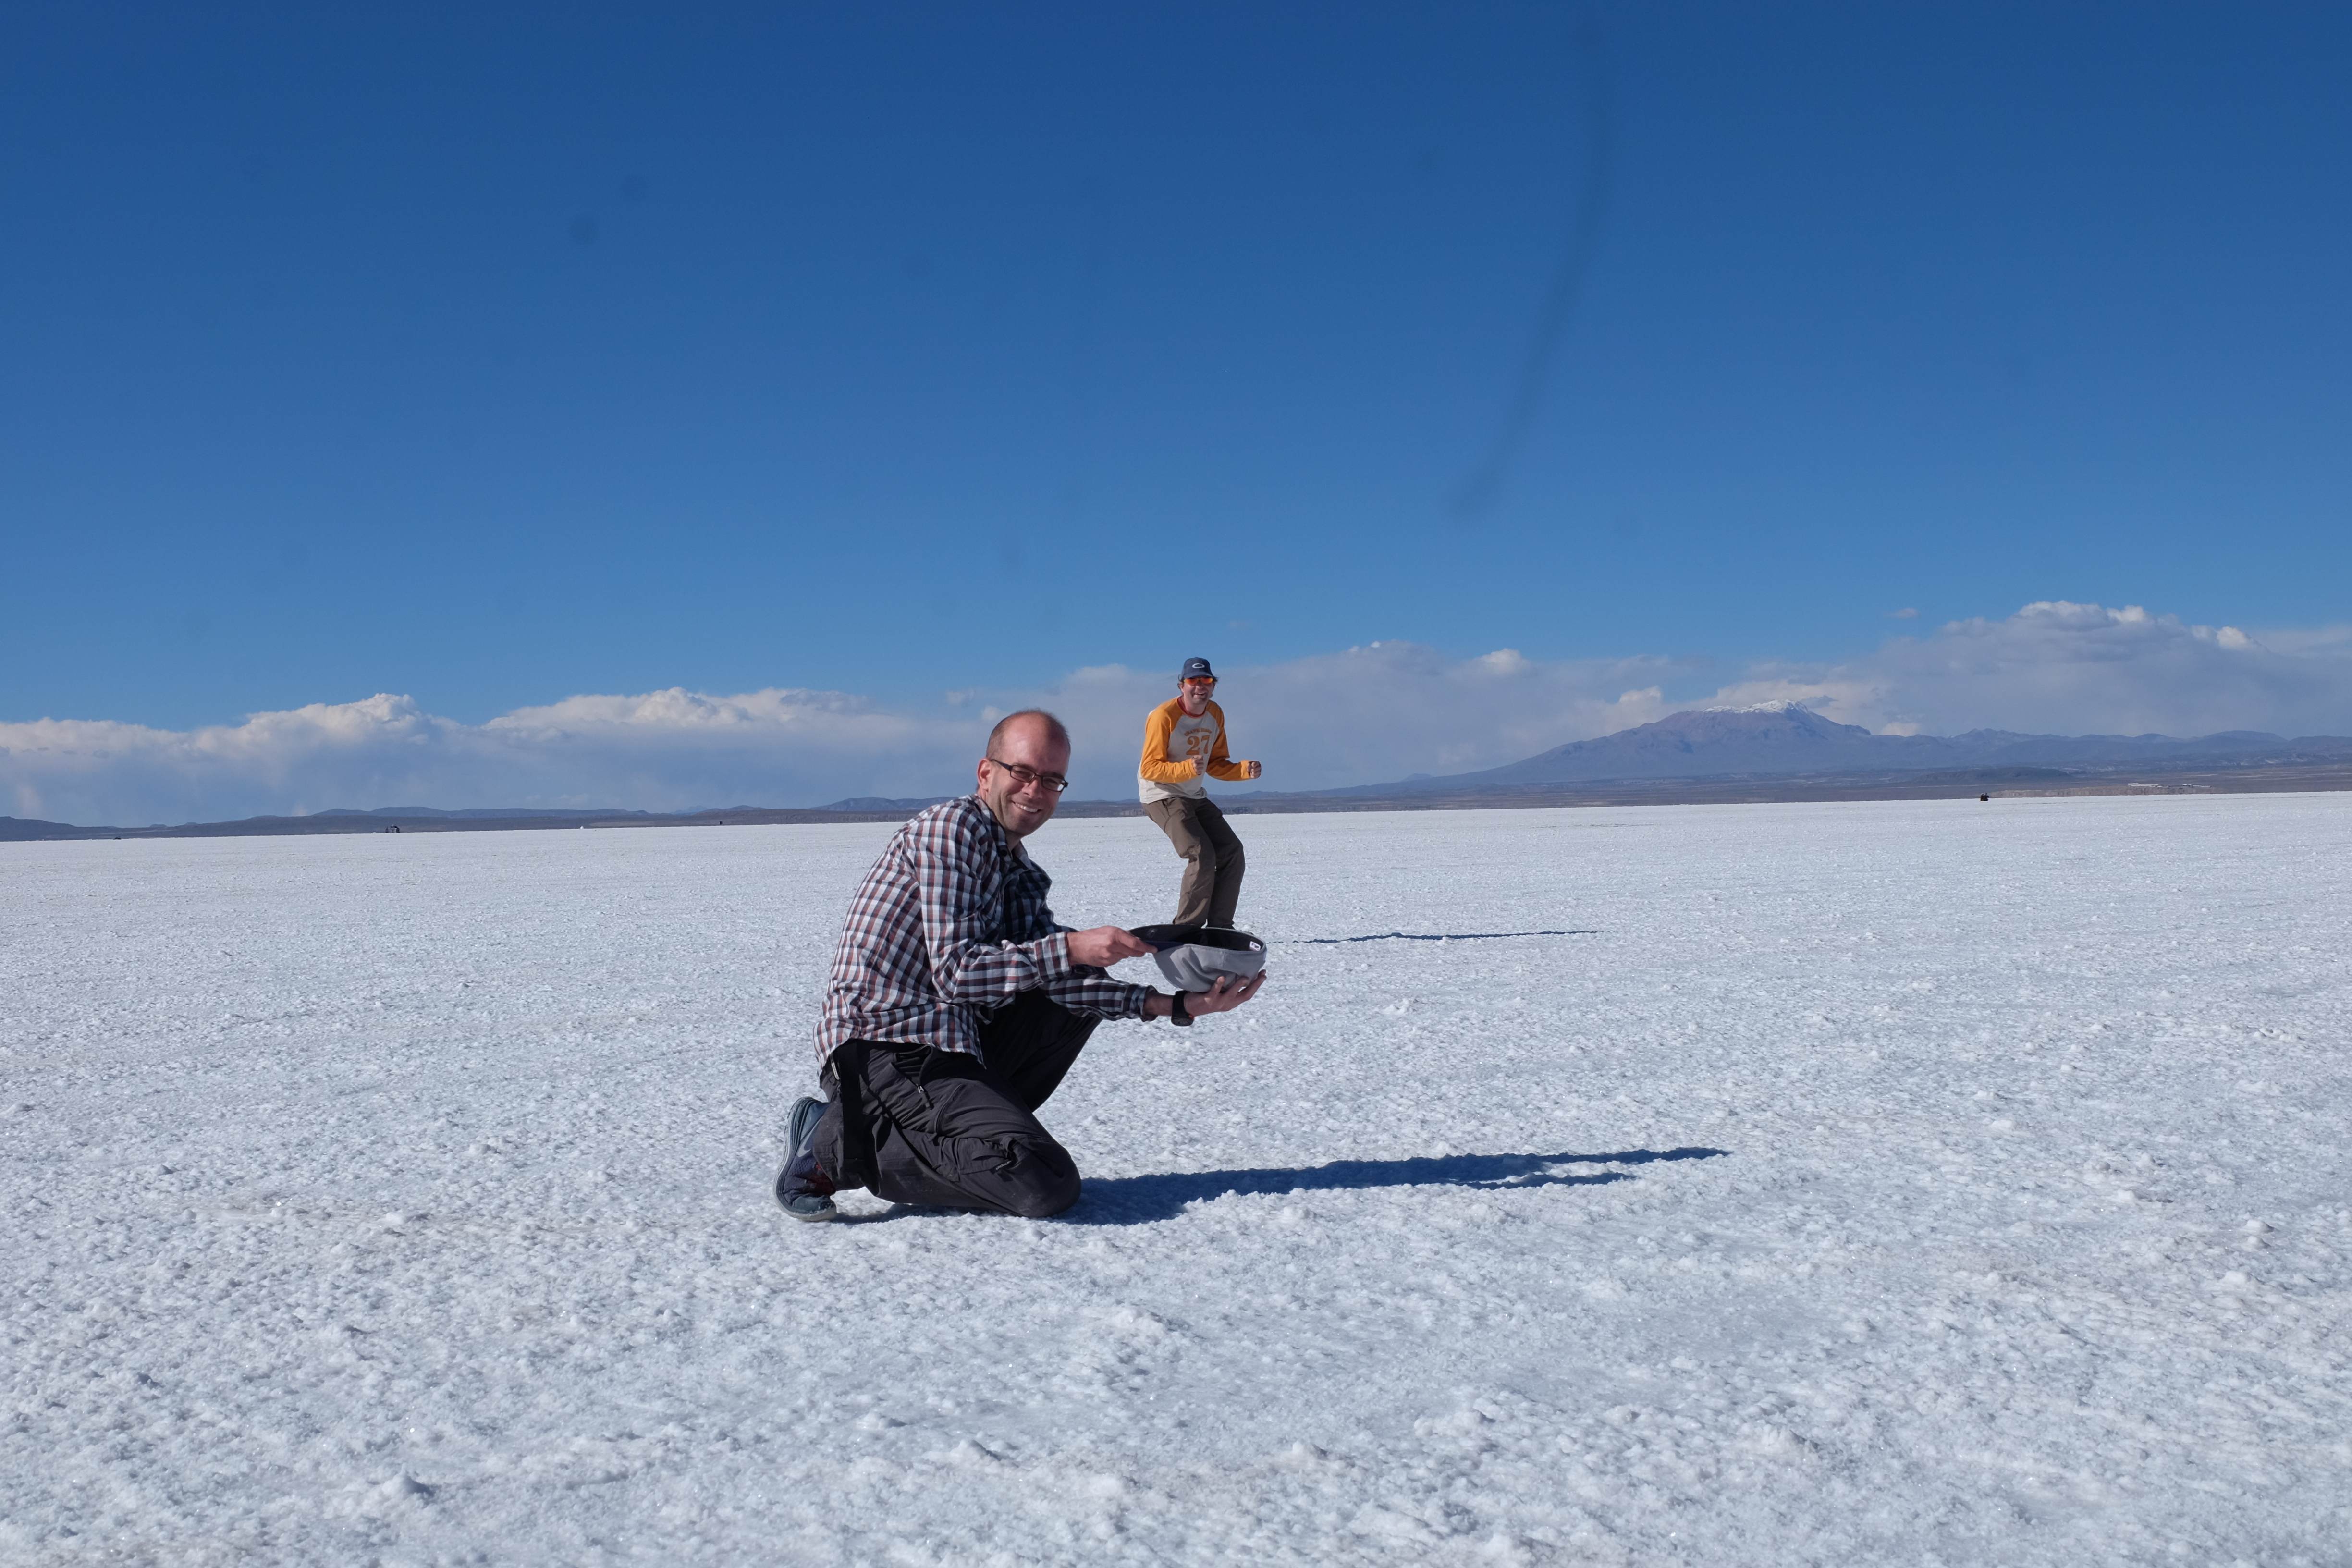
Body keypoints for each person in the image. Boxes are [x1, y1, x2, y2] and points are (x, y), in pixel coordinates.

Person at [775, 708, 1267, 1222]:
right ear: (986, 773)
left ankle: (950, 1130)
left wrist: (1178, 1004)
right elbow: (958, 973)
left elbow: (1059, 979)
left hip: (953, 1043)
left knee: (1073, 989)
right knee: (1041, 1178)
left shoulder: (1019, 870)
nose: (1036, 791)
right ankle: (831, 1145)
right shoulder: (951, 831)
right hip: (885, 1046)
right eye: (1023, 772)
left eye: (1052, 780)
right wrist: (1072, 947)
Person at [1139, 657, 1261, 929]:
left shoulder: (1215, 713)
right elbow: (1149, 768)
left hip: (1194, 795)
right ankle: (1187, 930)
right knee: (1201, 854)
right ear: (1182, 685)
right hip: (1161, 795)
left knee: (1232, 851)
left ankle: (1220, 928)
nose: (1200, 687)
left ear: (1213, 686)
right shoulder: (1163, 716)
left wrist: (1243, 770)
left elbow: (1215, 763)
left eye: (1206, 680)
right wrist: (1185, 769)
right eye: (1193, 681)